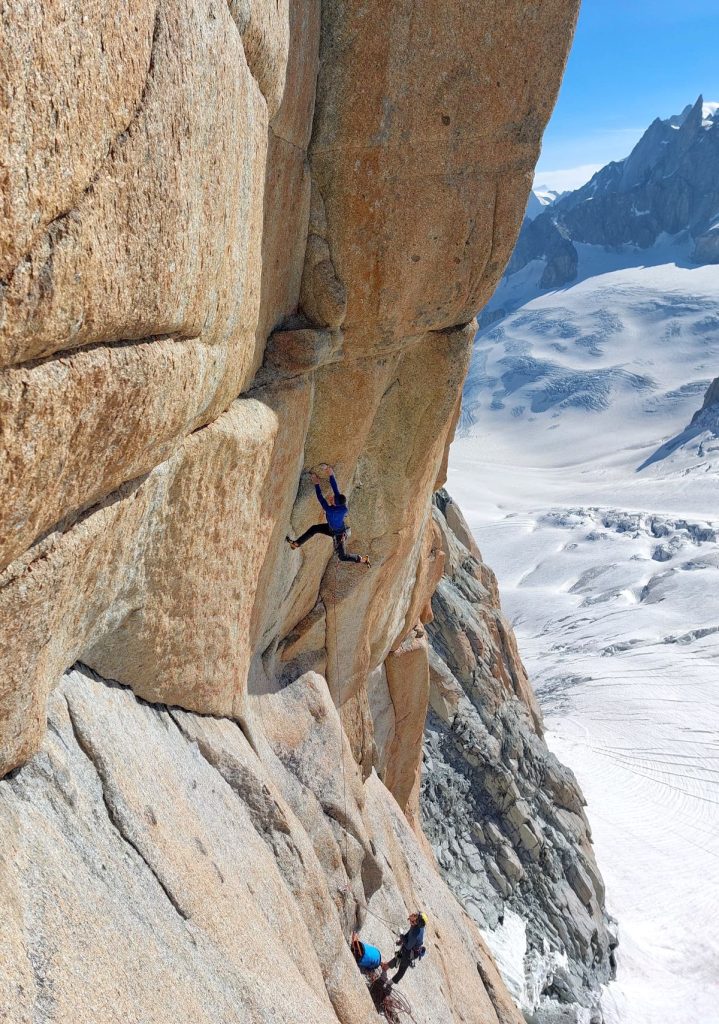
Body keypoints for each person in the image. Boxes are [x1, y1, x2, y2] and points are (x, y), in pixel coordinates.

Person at [286, 466, 370, 565]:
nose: (332, 497)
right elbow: (335, 487)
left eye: (333, 499)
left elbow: (320, 498)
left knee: (342, 557)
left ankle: (362, 559)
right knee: (314, 529)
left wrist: (316, 484)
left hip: (339, 535)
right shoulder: (342, 506)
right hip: (335, 528)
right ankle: (296, 544)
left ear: (335, 504)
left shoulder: (330, 510)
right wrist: (330, 472)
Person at [384, 911, 427, 984]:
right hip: (408, 948)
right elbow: (409, 933)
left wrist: (401, 936)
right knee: (397, 958)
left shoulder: (415, 935)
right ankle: (386, 966)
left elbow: (408, 946)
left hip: (408, 953)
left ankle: (391, 982)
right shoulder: (418, 926)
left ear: (416, 921)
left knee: (402, 969)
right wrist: (401, 940)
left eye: (415, 916)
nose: (413, 914)